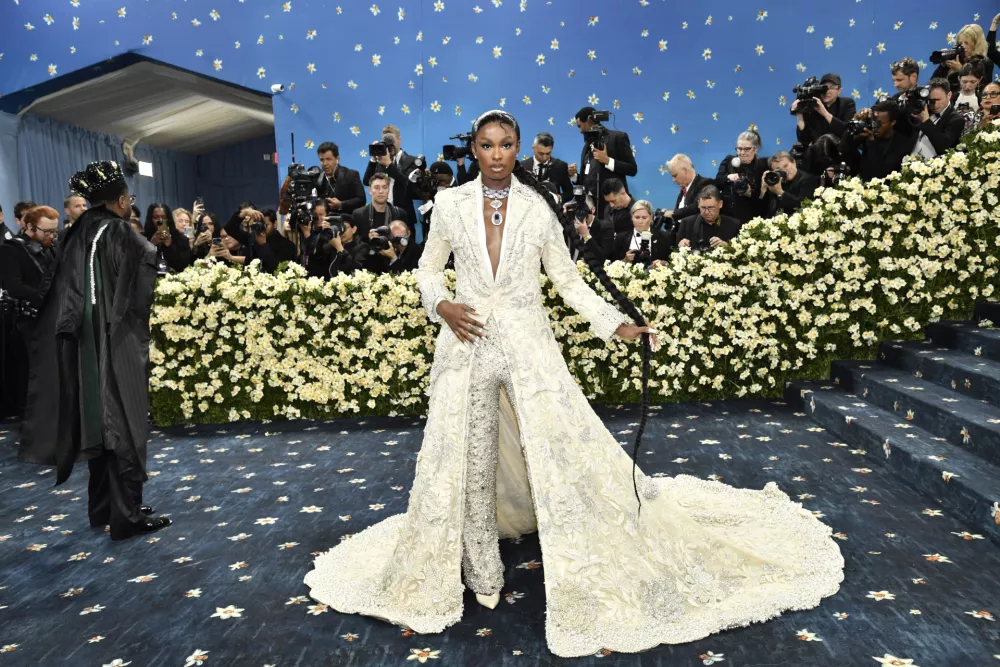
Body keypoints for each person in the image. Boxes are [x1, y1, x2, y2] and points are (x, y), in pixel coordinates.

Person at [304, 110, 844, 658]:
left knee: (556, 447)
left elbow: (566, 280)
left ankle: (567, 544)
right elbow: (425, 269)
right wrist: (441, 303)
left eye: (506, 145)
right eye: (487, 145)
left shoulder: (538, 207)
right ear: (475, 148)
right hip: (465, 345)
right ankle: (481, 567)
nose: (496, 154)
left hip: (527, 342)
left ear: (518, 150)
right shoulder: (449, 203)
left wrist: (615, 324)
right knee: (466, 454)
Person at [18, 160, 170, 540]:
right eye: (129, 199)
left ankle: (103, 507)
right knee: (123, 421)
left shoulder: (79, 231)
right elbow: (145, 268)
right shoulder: (118, 231)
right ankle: (127, 515)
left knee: (98, 426)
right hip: (112, 342)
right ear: (120, 200)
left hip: (82, 346)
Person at [0, 205, 58, 416]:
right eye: (47, 232)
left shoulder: (52, 247)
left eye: (54, 231)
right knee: (29, 371)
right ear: (31, 228)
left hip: (50, 318)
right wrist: (44, 296)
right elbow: (15, 286)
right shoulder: (10, 249)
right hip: (26, 321)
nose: (51, 236)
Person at [572, 106, 637, 219]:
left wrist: (608, 161)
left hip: (613, 208)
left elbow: (632, 169)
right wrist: (573, 175)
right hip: (591, 211)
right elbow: (585, 180)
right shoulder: (586, 147)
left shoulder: (617, 137)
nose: (580, 130)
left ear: (589, 120)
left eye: (580, 126)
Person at [279, 141, 366, 218]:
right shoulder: (316, 178)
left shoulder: (351, 175)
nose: (325, 163)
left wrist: (341, 205)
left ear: (337, 159)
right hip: (321, 225)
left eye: (328, 159)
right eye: (322, 160)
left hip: (345, 223)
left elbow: (361, 200)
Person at [362, 125, 420, 229]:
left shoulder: (412, 161)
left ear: (399, 139)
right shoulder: (379, 162)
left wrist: (389, 164)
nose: (390, 144)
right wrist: (373, 160)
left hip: (404, 216)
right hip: (380, 216)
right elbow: (367, 181)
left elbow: (410, 186)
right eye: (386, 140)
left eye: (391, 139)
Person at [841, 100, 916, 180]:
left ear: (892, 122)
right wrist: (854, 121)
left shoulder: (903, 144)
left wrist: (871, 142)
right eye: (874, 121)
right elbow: (842, 148)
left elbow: (880, 174)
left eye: (881, 123)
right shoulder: (868, 132)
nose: (876, 126)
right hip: (861, 186)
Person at [714, 129, 769, 226]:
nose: (742, 152)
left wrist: (751, 193)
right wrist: (728, 177)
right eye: (739, 148)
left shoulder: (762, 166)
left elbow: (765, 198)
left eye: (747, 149)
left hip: (752, 218)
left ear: (755, 149)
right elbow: (717, 183)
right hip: (728, 217)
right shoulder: (729, 161)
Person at [793, 73, 857, 147]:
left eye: (832, 87)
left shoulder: (847, 104)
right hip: (818, 152)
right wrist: (799, 115)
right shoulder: (812, 104)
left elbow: (847, 132)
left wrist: (825, 113)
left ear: (839, 91)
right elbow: (804, 140)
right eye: (824, 87)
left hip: (840, 150)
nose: (827, 91)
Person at [931, 24, 994, 97]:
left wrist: (961, 70)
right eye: (960, 43)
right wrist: (943, 66)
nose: (963, 46)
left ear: (976, 43)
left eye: (966, 43)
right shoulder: (955, 58)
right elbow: (933, 83)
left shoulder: (985, 62)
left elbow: (983, 90)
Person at [910, 78, 966, 159]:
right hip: (910, 161)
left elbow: (944, 147)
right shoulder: (923, 109)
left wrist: (926, 121)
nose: (935, 104)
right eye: (931, 100)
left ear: (949, 95)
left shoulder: (956, 120)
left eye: (938, 99)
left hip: (932, 167)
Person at [675, 185, 742, 251]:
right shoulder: (686, 223)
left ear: (720, 204)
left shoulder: (734, 224)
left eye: (711, 208)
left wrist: (726, 246)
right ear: (698, 204)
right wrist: (681, 245)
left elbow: (741, 253)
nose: (706, 212)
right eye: (703, 208)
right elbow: (675, 252)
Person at [611, 200, 670, 266]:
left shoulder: (664, 237)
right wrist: (624, 261)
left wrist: (663, 264)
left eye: (644, 218)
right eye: (637, 217)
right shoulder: (620, 238)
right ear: (632, 217)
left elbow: (671, 263)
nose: (640, 221)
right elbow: (612, 265)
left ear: (651, 218)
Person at [352, 172, 409, 241]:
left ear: (389, 190)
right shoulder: (358, 214)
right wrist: (369, 240)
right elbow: (355, 245)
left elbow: (407, 242)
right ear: (370, 190)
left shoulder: (400, 214)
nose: (381, 191)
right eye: (376, 188)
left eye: (385, 187)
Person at [661, 154, 713, 228]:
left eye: (675, 175)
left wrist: (673, 213)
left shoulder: (706, 183)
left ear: (685, 171)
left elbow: (697, 207)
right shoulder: (683, 190)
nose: (673, 180)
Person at [520, 132, 573, 204]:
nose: (544, 157)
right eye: (541, 153)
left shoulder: (560, 166)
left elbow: (570, 192)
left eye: (548, 153)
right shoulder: (522, 166)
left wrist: (559, 198)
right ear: (533, 148)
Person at [762, 151, 819, 217]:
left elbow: (802, 206)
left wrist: (780, 193)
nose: (784, 171)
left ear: (794, 162)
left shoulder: (808, 179)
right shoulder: (776, 183)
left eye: (786, 166)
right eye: (778, 170)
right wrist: (763, 188)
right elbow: (767, 210)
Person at [143, 202, 192, 275]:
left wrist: (170, 245)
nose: (160, 221)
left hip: (174, 282)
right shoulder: (142, 238)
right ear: (150, 219)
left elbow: (184, 266)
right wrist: (151, 244)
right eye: (156, 217)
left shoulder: (181, 239)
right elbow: (138, 264)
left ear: (168, 219)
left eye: (164, 217)